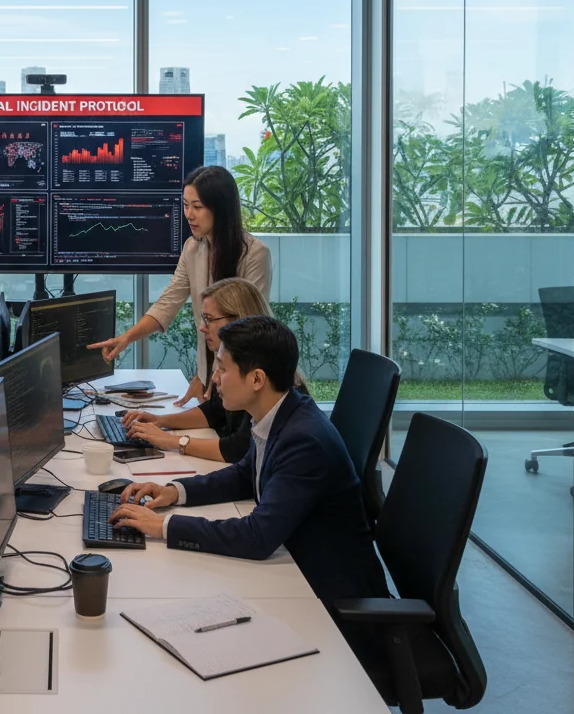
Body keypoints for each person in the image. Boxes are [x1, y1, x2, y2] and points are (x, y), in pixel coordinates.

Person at [109, 316, 387, 607]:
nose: (214, 378)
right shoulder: (281, 413)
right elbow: (244, 475)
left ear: (257, 379)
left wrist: (163, 526)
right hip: (295, 566)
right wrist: (174, 491)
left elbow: (257, 537)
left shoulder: (304, 441)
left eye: (222, 368)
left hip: (332, 598)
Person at [88, 165, 271, 405]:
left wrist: (212, 374)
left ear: (221, 209)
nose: (189, 214)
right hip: (213, 375)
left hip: (242, 375)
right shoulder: (192, 248)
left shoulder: (255, 254)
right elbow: (168, 302)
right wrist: (127, 338)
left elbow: (249, 326)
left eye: (197, 207)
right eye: (185, 205)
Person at [121, 277, 306, 463]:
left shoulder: (260, 377)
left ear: (238, 319)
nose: (202, 328)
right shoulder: (231, 364)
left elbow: (238, 449)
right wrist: (160, 421)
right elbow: (213, 411)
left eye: (209, 319)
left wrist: (172, 441)